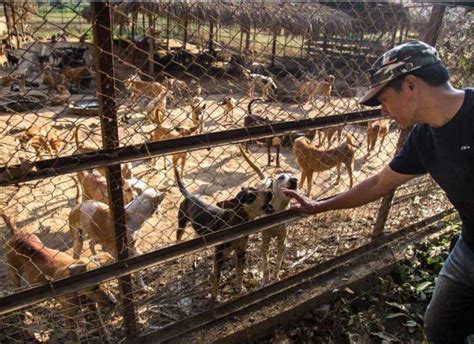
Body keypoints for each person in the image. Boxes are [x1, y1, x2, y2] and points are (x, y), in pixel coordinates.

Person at [283, 40, 474, 343]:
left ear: (410, 85)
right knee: (440, 327)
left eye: (384, 100)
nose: (383, 112)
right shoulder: (423, 138)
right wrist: (319, 206)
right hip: (469, 248)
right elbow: (378, 183)